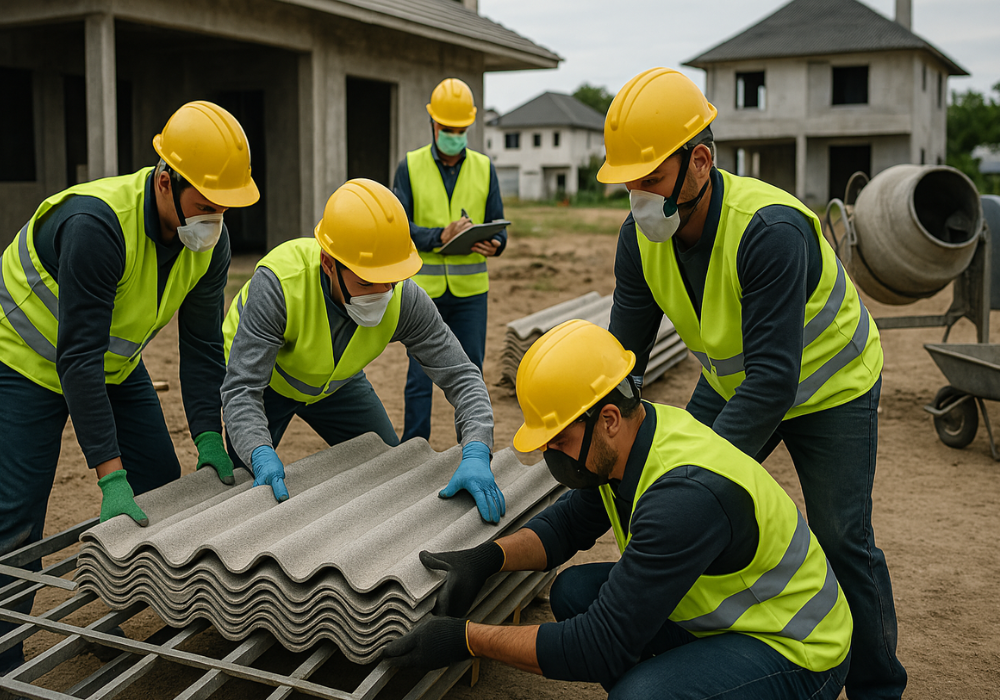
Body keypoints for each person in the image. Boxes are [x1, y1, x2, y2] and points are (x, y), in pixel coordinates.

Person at [599, 68, 905, 699]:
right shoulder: (640, 238)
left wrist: (689, 473)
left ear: (700, 162)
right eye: (627, 181)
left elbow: (774, 380)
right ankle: (716, 649)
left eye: (650, 178)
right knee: (679, 504)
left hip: (830, 385)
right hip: (737, 377)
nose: (636, 195)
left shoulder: (768, 229)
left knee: (843, 539)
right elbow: (621, 360)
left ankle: (877, 689)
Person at [384, 320, 852, 699]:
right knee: (573, 591)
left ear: (607, 419)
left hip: (796, 647)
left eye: (559, 440)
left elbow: (598, 647)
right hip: (730, 616)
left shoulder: (683, 498)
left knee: (638, 696)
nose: (553, 457)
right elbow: (568, 525)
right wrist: (487, 558)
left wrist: (466, 638)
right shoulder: (633, 437)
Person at [0, 100, 257, 676]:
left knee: (164, 491)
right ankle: (6, 660)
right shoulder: (97, 225)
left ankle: (114, 624)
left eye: (223, 207)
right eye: (204, 203)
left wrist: (209, 438)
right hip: (20, 362)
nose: (213, 218)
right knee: (17, 521)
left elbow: (201, 349)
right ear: (166, 181)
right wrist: (109, 475)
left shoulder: (207, 242)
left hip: (112, 364)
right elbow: (77, 359)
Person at [220, 178, 505, 523]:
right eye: (368, 280)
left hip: (337, 384)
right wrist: (259, 453)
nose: (383, 292)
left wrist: (476, 448)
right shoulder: (280, 285)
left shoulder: (404, 299)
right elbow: (242, 388)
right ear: (329, 263)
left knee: (385, 465)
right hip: (268, 385)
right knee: (244, 491)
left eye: (392, 277)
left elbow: (461, 375)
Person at [393, 77, 507, 442]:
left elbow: (498, 226)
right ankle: (415, 447)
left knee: (471, 373)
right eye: (448, 128)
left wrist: (496, 244)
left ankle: (473, 447)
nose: (454, 135)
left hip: (471, 292)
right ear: (433, 124)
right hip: (423, 291)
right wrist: (438, 236)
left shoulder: (484, 168)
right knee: (419, 377)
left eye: (461, 129)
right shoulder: (409, 167)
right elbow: (399, 226)